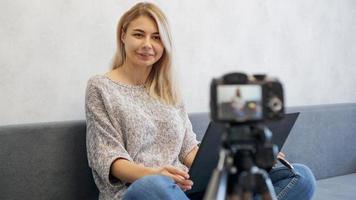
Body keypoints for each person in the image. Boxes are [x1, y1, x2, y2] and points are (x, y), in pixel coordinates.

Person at [85, 2, 316, 200]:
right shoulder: (101, 87)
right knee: (154, 187)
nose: (148, 44)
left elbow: (189, 152)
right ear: (123, 35)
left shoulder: (168, 90)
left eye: (156, 37)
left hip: (187, 188)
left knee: (300, 176)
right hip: (142, 189)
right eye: (139, 34)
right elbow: (109, 159)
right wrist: (153, 174)